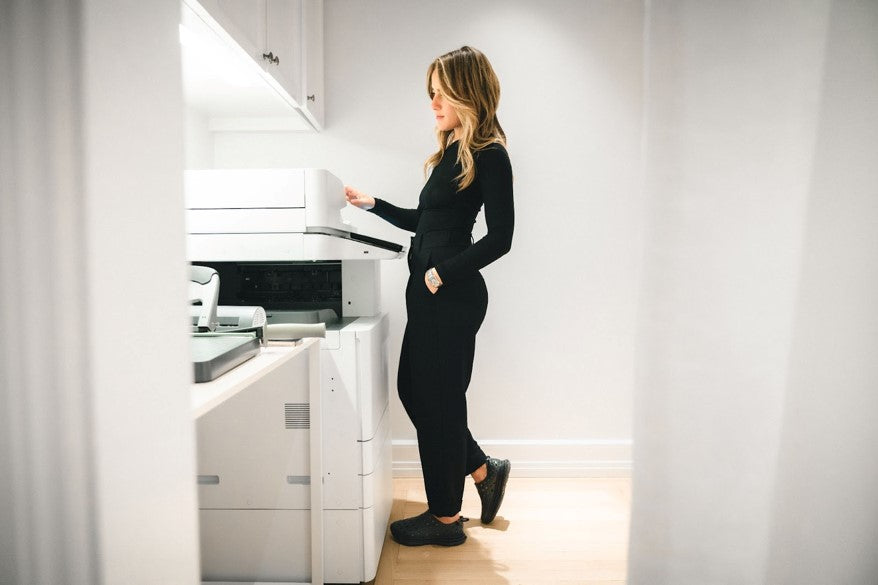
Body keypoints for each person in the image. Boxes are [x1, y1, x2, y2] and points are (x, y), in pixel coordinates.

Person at [345, 45, 514, 547]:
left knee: (439, 403)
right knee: (417, 394)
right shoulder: (450, 154)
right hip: (428, 297)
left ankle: (445, 521)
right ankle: (482, 470)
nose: (434, 102)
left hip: (453, 297)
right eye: (431, 93)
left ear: (467, 91)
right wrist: (373, 205)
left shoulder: (491, 155)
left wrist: (444, 272)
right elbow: (429, 222)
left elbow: (501, 238)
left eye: (441, 92)